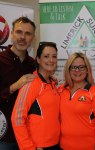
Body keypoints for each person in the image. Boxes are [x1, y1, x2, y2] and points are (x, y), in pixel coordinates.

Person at [11, 42, 60, 150]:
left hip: (55, 143)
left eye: (54, 56)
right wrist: (29, 147)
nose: (51, 60)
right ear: (38, 59)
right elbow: (17, 118)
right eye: (46, 56)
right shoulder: (31, 83)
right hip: (38, 146)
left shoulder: (53, 83)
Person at [58, 52, 95, 150]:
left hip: (88, 146)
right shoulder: (61, 90)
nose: (77, 71)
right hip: (64, 146)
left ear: (87, 70)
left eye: (81, 67)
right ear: (68, 70)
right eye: (73, 67)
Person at [0, 16, 36, 150]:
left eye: (28, 33)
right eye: (19, 32)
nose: (23, 37)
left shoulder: (34, 64)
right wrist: (14, 86)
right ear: (12, 34)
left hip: (28, 135)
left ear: (33, 38)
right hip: (5, 136)